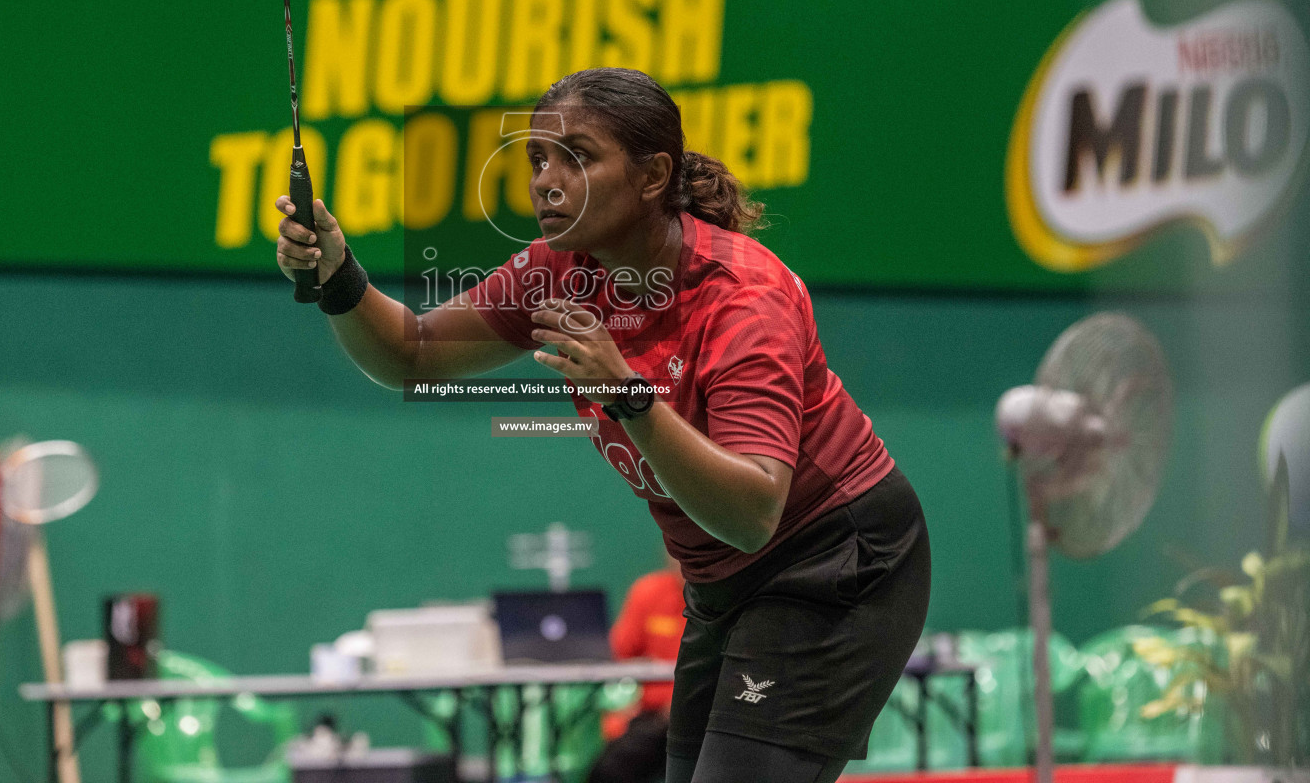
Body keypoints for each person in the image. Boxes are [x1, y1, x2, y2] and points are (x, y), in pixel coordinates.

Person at [274, 67, 931, 783]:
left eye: (578, 157)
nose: (546, 181)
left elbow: (752, 513)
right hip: (722, 585)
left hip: (832, 560)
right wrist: (340, 277)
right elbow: (414, 354)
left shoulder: (742, 298)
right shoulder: (557, 270)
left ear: (652, 176)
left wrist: (629, 395)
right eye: (537, 159)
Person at [588, 555, 686, 783]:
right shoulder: (648, 591)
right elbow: (617, 656)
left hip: (705, 717)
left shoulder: (732, 597)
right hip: (652, 719)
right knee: (608, 770)